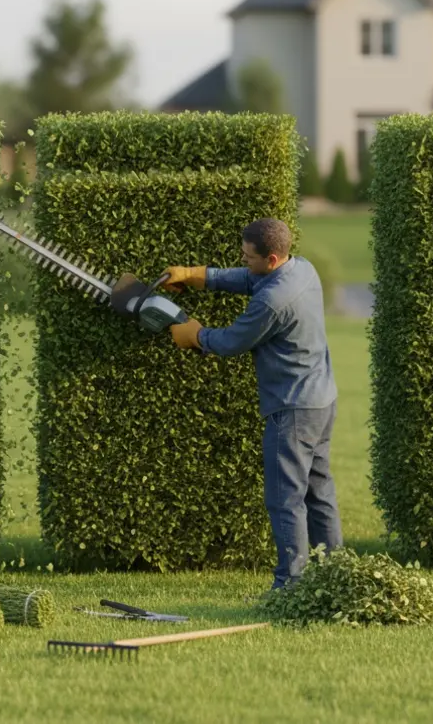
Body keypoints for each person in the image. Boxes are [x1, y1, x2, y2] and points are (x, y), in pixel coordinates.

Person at [161, 217, 342, 589]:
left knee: (285, 499)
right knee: (319, 493)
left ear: (272, 258)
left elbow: (231, 342)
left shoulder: (274, 302)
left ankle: (289, 588)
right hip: (321, 401)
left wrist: (196, 335)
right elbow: (249, 279)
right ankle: (335, 576)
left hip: (292, 410)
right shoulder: (301, 269)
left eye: (248, 257)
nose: (244, 262)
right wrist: (200, 275)